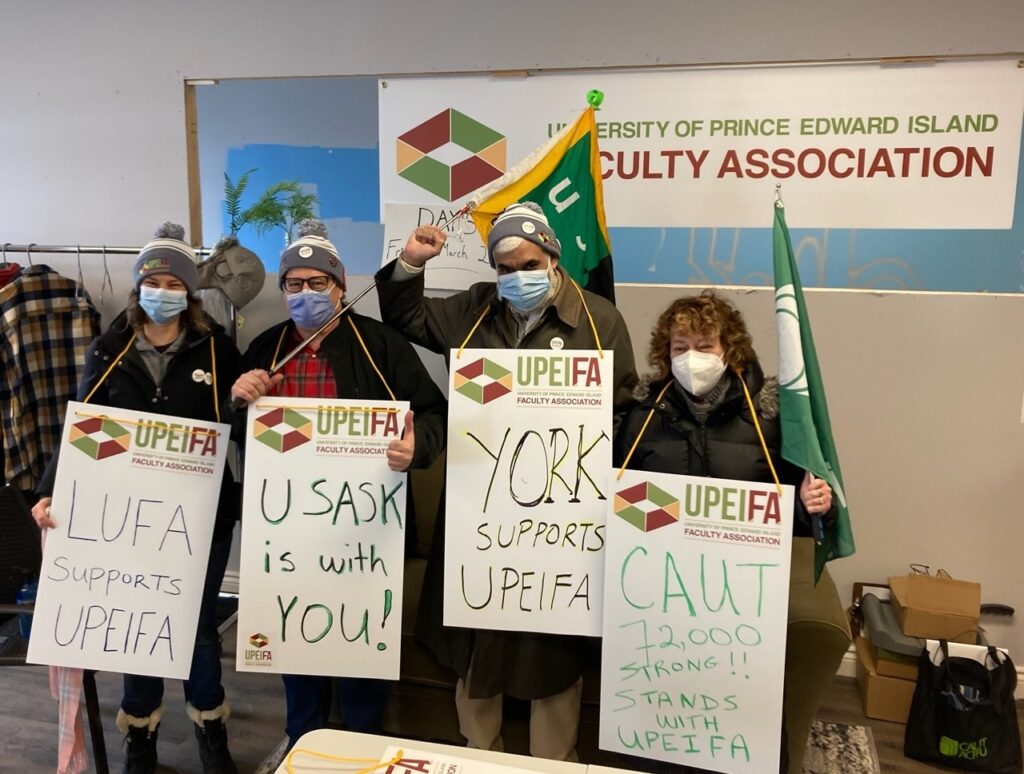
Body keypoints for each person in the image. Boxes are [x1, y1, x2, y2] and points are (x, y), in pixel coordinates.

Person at [374, 201, 638, 761]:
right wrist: (410, 264)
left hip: (561, 517)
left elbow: (623, 411)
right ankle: (478, 752)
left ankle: (554, 762)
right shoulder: (474, 310)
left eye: (527, 263)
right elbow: (407, 317)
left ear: (552, 256)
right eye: (504, 268)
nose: (516, 277)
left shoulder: (599, 320)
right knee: (475, 636)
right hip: (480, 508)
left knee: (556, 641)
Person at [32, 223, 244, 774]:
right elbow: (83, 423)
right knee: (136, 619)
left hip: (200, 516)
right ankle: (141, 733)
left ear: (191, 291)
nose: (164, 288)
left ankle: (210, 728)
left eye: (176, 280)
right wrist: (51, 487)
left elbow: (239, 424)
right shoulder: (109, 345)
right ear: (139, 284)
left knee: (196, 627)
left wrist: (246, 400)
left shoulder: (218, 348)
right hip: (127, 518)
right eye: (155, 278)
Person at [229, 219, 447, 750]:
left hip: (367, 530)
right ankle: (302, 739)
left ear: (341, 286)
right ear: (282, 291)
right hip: (287, 533)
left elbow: (435, 413)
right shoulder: (264, 349)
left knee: (359, 644)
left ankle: (363, 741)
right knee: (294, 639)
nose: (306, 294)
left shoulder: (380, 344)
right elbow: (232, 431)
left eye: (317, 283)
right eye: (294, 285)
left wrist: (419, 446)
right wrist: (237, 399)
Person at [613, 289, 836, 773]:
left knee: (745, 726)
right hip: (660, 601)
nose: (691, 358)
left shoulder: (771, 416)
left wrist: (815, 504)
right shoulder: (640, 413)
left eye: (705, 345)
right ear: (663, 353)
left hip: (741, 606)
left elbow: (799, 512)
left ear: (730, 349)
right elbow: (617, 495)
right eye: (679, 347)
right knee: (661, 725)